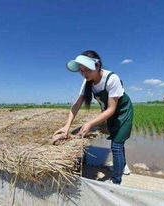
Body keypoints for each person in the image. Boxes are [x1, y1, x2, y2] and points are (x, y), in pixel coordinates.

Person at [54, 50, 133, 184]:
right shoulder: (87, 82)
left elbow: (112, 108)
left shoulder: (111, 79)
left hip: (122, 113)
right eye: (81, 71)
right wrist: (67, 126)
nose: (84, 74)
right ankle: (123, 165)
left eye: (87, 70)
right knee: (117, 140)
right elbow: (76, 105)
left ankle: (116, 182)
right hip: (107, 113)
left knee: (117, 145)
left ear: (97, 66)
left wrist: (90, 123)